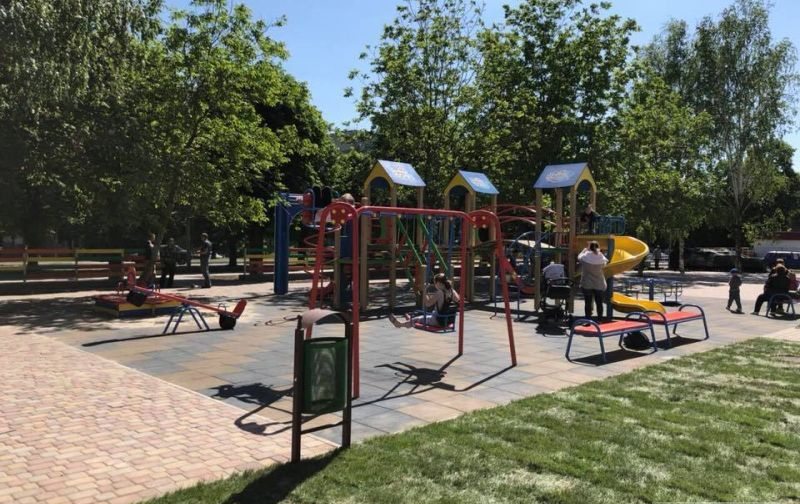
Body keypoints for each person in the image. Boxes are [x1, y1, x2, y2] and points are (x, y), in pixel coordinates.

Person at [389, 273, 460, 328]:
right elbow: (458, 300)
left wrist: (425, 291)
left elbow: (428, 304)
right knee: (422, 317)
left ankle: (400, 324)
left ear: (438, 283)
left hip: (437, 320)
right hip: (447, 320)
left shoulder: (439, 292)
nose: (435, 285)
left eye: (435, 283)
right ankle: (411, 320)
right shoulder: (452, 291)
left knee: (416, 320)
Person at [578, 240, 608, 320]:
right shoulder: (601, 257)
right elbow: (605, 263)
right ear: (598, 247)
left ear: (589, 248)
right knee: (599, 303)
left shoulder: (585, 256)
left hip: (587, 283)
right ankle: (600, 319)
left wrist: (584, 250)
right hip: (599, 283)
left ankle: (588, 319)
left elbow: (579, 257)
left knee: (588, 302)